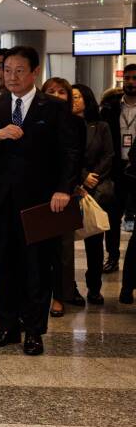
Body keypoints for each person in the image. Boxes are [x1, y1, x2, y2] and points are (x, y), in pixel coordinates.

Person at [0, 46, 79, 356]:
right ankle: (7, 327)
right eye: (7, 70)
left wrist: (63, 189)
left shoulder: (54, 108)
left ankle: (33, 330)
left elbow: (69, 153)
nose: (11, 76)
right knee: (3, 265)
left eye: (19, 70)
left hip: (39, 202)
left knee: (37, 267)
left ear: (34, 72)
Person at [41, 77, 87, 317]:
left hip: (65, 192)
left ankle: (59, 296)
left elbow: (76, 159)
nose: (57, 95)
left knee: (63, 249)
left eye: (62, 92)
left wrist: (69, 187)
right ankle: (38, 295)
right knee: (38, 249)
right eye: (51, 91)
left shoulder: (76, 124)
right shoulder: (35, 120)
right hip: (37, 191)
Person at [72, 83, 113, 305]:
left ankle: (94, 286)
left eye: (77, 96)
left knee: (95, 240)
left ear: (87, 100)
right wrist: (82, 176)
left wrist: (92, 177)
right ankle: (69, 288)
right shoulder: (62, 125)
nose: (73, 100)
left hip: (95, 190)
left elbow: (109, 155)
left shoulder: (101, 126)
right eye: (70, 97)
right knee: (64, 244)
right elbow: (64, 157)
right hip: (70, 187)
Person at [99, 65, 136, 278]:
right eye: (128, 78)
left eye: (135, 78)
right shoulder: (111, 108)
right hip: (116, 168)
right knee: (112, 217)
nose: (131, 82)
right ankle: (112, 256)